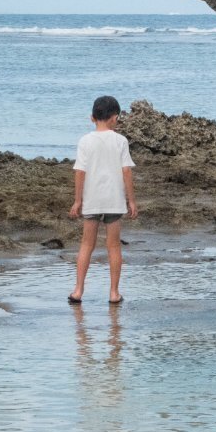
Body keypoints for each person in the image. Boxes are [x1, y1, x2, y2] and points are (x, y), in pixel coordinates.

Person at [68, 95, 138, 305]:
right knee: (114, 247)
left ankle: (78, 290)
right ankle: (114, 293)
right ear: (115, 118)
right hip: (114, 200)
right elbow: (126, 172)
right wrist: (131, 200)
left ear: (92, 118)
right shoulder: (121, 141)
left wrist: (77, 200)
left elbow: (80, 172)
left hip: (92, 200)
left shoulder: (85, 141)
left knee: (86, 245)